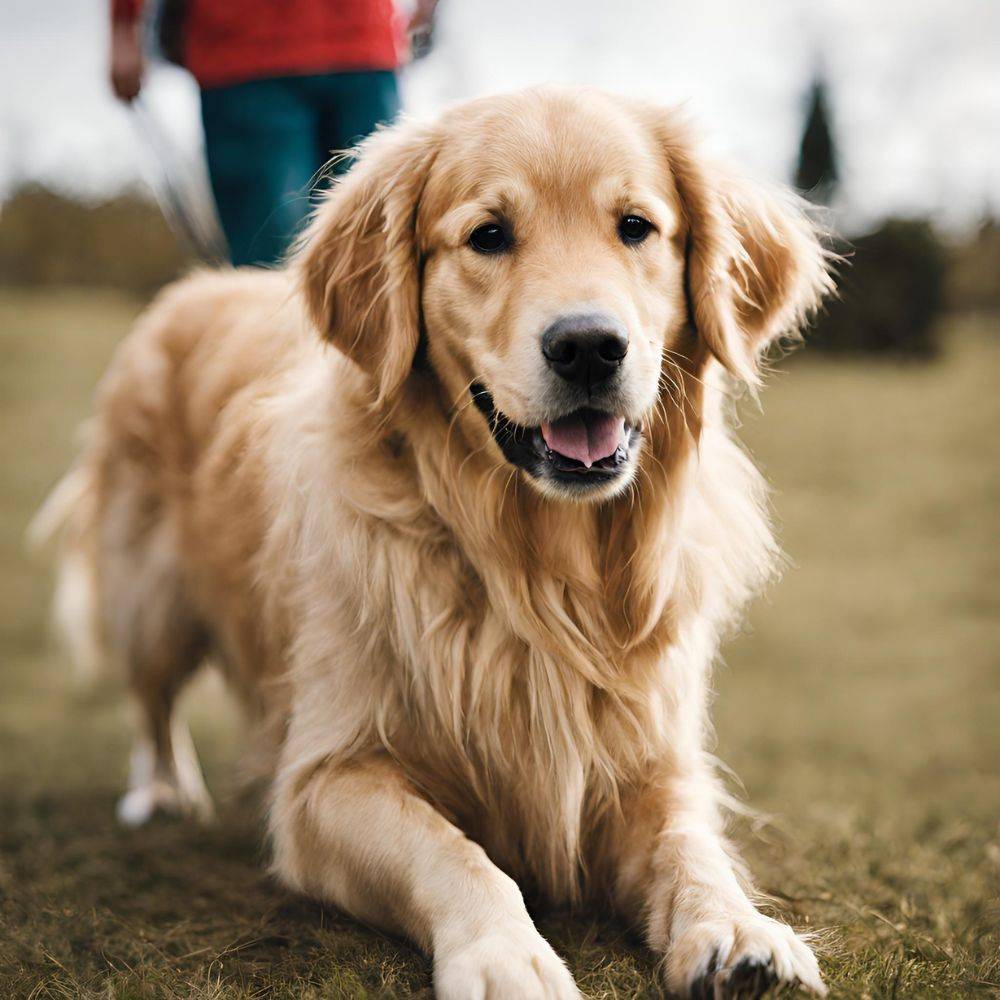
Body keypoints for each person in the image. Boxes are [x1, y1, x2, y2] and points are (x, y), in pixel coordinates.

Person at [110, 0, 437, 266]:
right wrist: (125, 26)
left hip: (358, 48)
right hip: (248, 54)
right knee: (271, 260)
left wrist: (125, 28)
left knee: (380, 252)